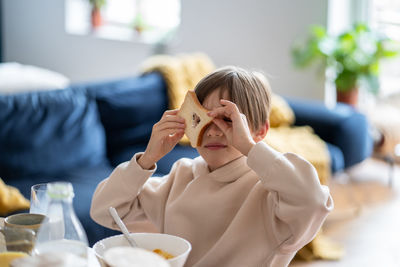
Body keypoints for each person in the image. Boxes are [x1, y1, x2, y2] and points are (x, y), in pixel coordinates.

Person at [90, 66, 333, 267]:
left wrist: (250, 148)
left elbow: (313, 202)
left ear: (260, 131)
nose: (214, 131)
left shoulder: (270, 191)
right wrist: (147, 159)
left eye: (229, 120)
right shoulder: (181, 175)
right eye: (201, 119)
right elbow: (104, 210)